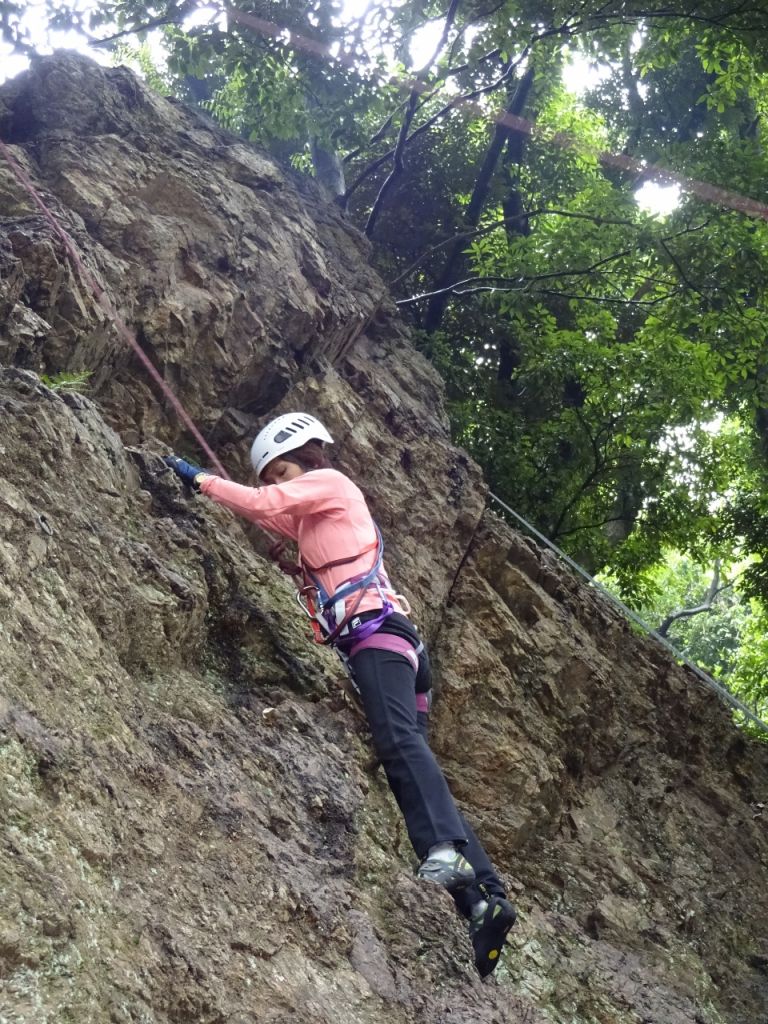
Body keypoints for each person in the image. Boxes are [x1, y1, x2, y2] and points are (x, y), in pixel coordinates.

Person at [164, 412, 516, 977]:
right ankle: (484, 898)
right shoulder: (313, 519)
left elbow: (260, 505)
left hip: (377, 636)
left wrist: (197, 477)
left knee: (400, 744)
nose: (278, 483)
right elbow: (276, 519)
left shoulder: (332, 484)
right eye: (273, 475)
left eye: (282, 470)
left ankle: (445, 853)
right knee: (410, 765)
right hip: (397, 647)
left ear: (307, 457)